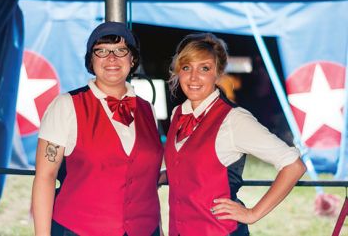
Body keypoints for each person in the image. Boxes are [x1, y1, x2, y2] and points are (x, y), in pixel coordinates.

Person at [164, 33, 306, 236]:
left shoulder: (234, 119)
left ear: (218, 73)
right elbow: (189, 170)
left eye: (204, 68)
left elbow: (293, 165)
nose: (194, 77)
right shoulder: (177, 114)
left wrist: (252, 214)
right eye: (187, 67)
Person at [32, 21, 163, 236]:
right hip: (79, 230)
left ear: (133, 59)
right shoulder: (66, 105)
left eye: (121, 50)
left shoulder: (148, 110)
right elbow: (45, 177)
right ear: (91, 60)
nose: (111, 58)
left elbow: (147, 185)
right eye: (101, 51)